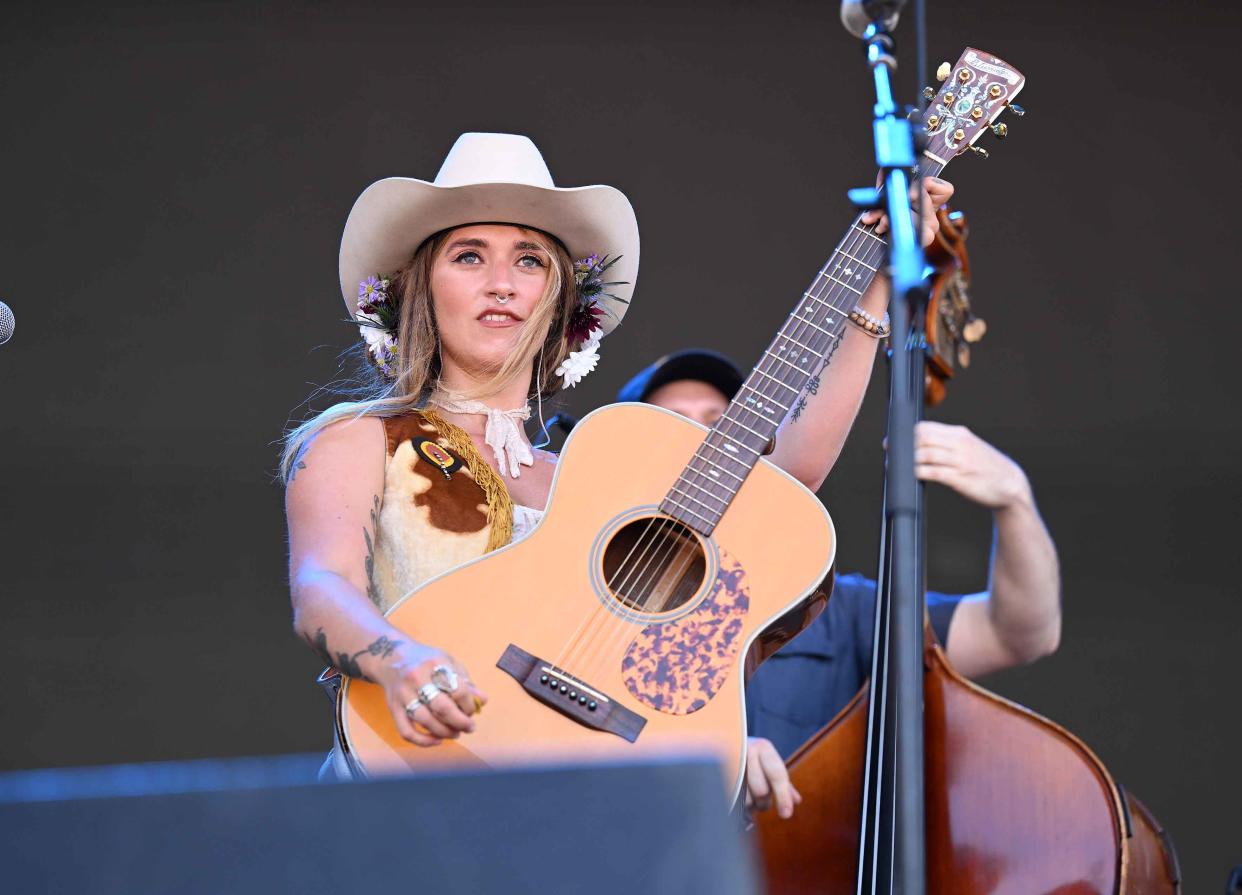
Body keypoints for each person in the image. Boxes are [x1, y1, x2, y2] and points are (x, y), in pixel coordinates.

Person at [280, 131, 952, 776]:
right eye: (468, 255)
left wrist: (875, 289)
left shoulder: (593, 472)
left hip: (598, 813)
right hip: (415, 789)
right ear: (422, 286)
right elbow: (321, 585)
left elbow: (783, 481)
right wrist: (399, 659)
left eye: (529, 259)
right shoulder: (360, 438)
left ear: (559, 299)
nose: (502, 283)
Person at [621, 349, 1061, 818]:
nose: (705, 441)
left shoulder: (839, 609)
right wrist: (705, 753)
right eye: (675, 422)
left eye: (720, 423)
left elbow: (1016, 634)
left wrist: (1015, 498)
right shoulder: (577, 588)